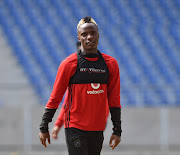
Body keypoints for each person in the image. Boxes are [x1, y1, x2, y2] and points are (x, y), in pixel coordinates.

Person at [39, 16, 122, 155]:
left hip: (97, 128)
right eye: (84, 34)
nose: (89, 37)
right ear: (78, 37)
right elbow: (56, 97)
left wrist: (117, 130)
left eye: (93, 33)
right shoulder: (68, 64)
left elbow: (114, 99)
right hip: (75, 127)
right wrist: (44, 125)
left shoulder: (110, 64)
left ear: (98, 35)